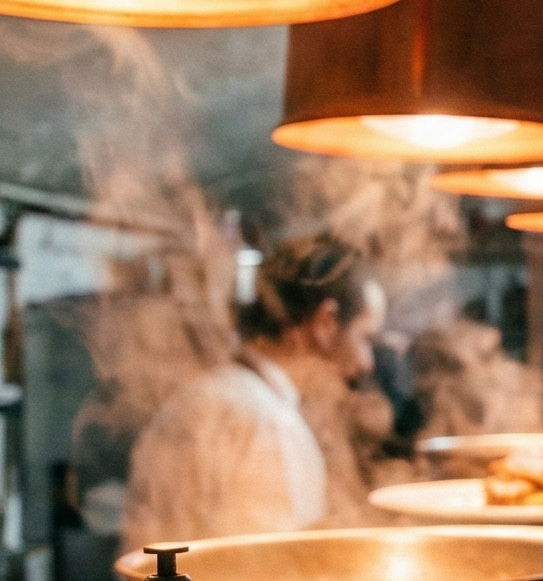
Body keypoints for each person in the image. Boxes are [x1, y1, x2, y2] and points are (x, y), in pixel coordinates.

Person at [119, 234, 385, 550]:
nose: (367, 363)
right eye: (364, 338)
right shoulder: (270, 425)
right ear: (325, 322)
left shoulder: (200, 397)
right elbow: (269, 577)